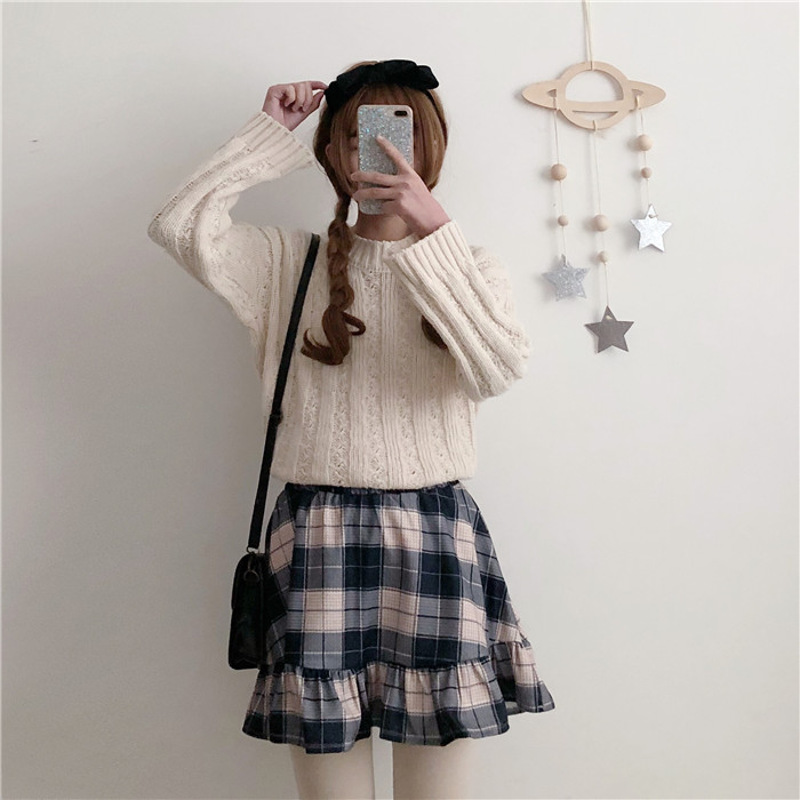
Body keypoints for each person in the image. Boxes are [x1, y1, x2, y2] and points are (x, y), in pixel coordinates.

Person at [147, 59, 555, 800]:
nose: (386, 150)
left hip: (435, 532)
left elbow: (498, 370)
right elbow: (179, 225)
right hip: (317, 531)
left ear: (432, 147)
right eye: (362, 134)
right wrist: (268, 133)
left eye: (404, 133)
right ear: (335, 150)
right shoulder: (286, 263)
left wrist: (434, 231)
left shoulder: (470, 265)